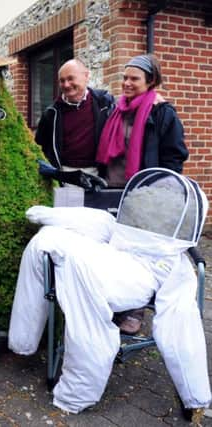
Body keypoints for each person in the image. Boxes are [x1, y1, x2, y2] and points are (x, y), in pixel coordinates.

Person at [8, 168, 210, 422]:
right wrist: (48, 215)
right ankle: (23, 341)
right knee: (46, 239)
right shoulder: (119, 228)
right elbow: (98, 222)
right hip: (119, 250)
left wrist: (195, 397)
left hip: (138, 275)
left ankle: (77, 392)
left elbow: (182, 326)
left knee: (78, 267)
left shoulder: (176, 264)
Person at [96, 54, 188, 333]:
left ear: (150, 82)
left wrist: (161, 192)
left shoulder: (162, 113)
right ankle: (113, 301)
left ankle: (135, 309)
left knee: (139, 254)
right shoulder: (116, 109)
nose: (127, 83)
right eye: (125, 77)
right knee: (115, 250)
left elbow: (175, 156)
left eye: (134, 78)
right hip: (114, 189)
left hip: (145, 196)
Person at [35, 59, 115, 178]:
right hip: (64, 175)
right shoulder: (51, 113)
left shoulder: (105, 104)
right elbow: (39, 146)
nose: (66, 85)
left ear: (86, 76)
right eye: (62, 81)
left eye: (70, 78)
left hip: (99, 174)